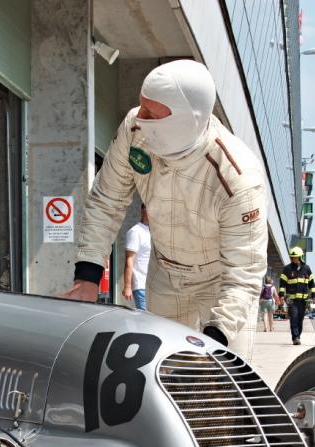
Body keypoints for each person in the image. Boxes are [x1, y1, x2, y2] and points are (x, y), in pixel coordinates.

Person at [59, 60, 267, 361]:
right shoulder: (134, 130)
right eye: (141, 106)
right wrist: (87, 277)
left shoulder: (238, 179)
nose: (139, 117)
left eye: (151, 114)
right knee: (162, 373)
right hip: (165, 276)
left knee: (226, 380)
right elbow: (106, 201)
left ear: (187, 121)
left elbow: (244, 274)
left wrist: (215, 337)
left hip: (222, 283)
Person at [280, 246, 315, 344]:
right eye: (292, 257)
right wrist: (281, 295)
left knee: (300, 318)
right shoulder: (287, 269)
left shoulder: (307, 268)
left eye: (295, 257)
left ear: (300, 257)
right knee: (294, 317)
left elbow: (312, 284)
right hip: (291, 299)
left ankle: (298, 336)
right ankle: (295, 337)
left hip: (303, 300)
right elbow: (282, 284)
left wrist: (313, 296)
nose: (293, 259)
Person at [123, 205, 152, 310]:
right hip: (141, 285)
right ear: (143, 211)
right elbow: (129, 260)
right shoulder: (135, 232)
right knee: (146, 318)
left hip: (153, 287)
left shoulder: (152, 232)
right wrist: (127, 286)